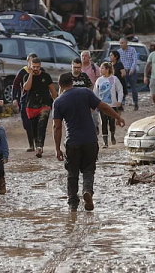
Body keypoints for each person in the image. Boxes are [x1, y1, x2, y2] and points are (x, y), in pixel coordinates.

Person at [53, 73, 126, 211]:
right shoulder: (85, 93)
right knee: (88, 170)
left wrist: (57, 149)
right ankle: (87, 191)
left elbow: (56, 127)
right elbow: (103, 106)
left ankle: (73, 204)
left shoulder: (58, 101)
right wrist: (117, 117)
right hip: (90, 140)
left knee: (72, 173)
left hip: (72, 142)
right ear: (72, 82)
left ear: (60, 85)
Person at [23, 58, 58, 158]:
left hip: (45, 105)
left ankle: (39, 148)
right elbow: (27, 88)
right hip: (31, 106)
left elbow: (53, 91)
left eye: (37, 67)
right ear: (30, 66)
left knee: (41, 126)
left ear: (40, 66)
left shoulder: (46, 76)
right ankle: (37, 144)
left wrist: (58, 103)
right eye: (34, 66)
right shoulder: (26, 76)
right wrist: (31, 74)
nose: (36, 69)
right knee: (34, 128)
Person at [12, 53, 40, 152]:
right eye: (30, 62)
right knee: (27, 123)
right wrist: (14, 98)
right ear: (28, 62)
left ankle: (37, 143)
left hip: (37, 101)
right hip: (25, 101)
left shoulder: (41, 72)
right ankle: (31, 144)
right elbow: (15, 85)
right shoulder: (22, 72)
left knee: (36, 123)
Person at [94, 62, 124, 148]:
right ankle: (105, 142)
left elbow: (120, 89)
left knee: (112, 122)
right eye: (100, 68)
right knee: (103, 122)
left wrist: (119, 101)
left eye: (102, 68)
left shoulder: (114, 79)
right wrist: (95, 103)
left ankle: (112, 135)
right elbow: (95, 92)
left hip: (112, 105)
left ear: (107, 69)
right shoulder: (99, 80)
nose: (101, 70)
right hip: (102, 105)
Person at [81, 51, 101, 134]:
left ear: (89, 58)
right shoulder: (79, 67)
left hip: (92, 91)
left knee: (94, 110)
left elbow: (99, 79)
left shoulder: (94, 67)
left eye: (86, 56)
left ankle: (95, 126)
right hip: (80, 93)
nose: (84, 57)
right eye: (82, 56)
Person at [118, 38, 139, 110]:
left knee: (134, 88)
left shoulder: (132, 50)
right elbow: (118, 62)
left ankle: (135, 103)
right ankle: (121, 103)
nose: (121, 44)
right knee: (122, 88)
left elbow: (135, 60)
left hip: (131, 71)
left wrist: (132, 69)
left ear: (126, 43)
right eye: (120, 43)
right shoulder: (119, 52)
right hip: (123, 72)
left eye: (122, 43)